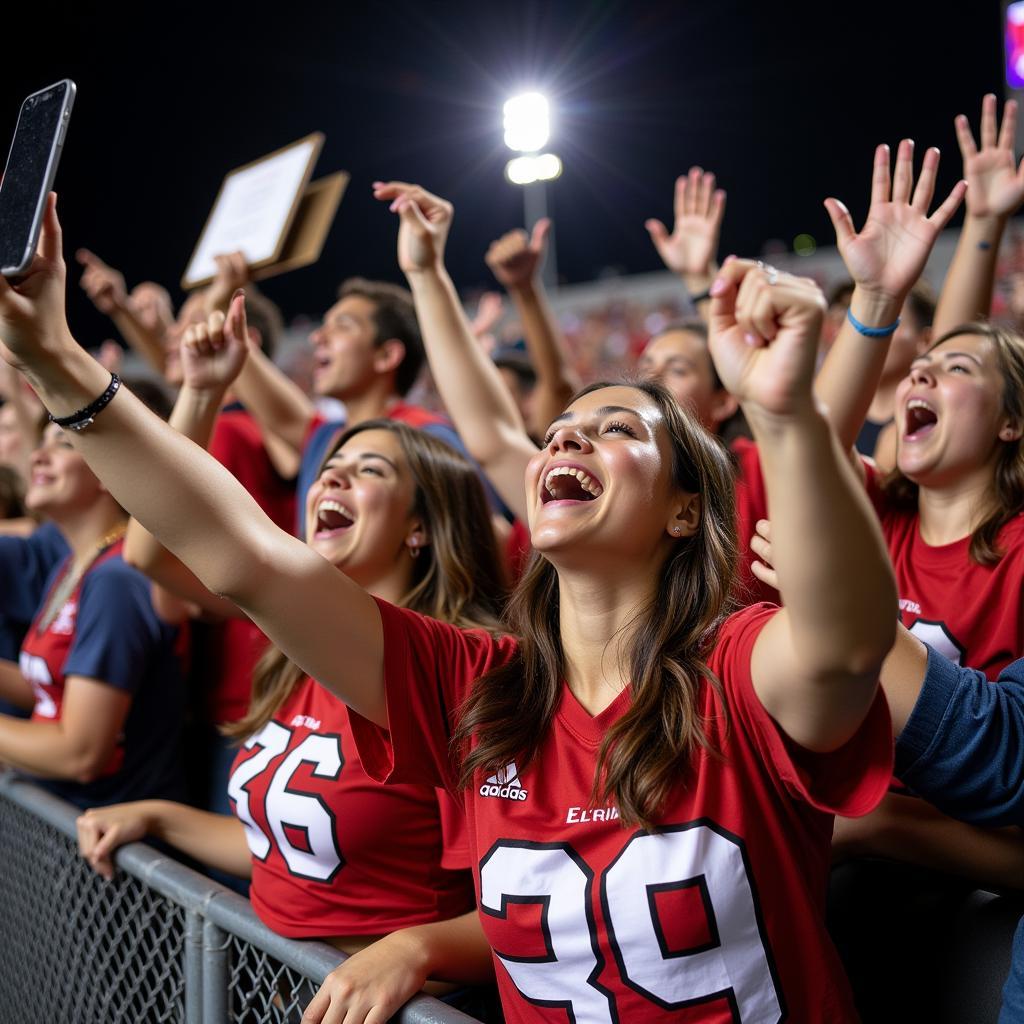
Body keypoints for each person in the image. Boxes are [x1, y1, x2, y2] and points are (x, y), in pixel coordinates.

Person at [0, 193, 897, 1023]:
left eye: (619, 428)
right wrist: (56, 359)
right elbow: (243, 554)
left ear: (686, 509)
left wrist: (785, 417)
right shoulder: (475, 684)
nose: (569, 436)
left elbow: (844, 647)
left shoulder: (734, 669)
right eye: (558, 433)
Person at [78, 381, 502, 955]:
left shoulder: (466, 675)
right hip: (275, 989)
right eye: (331, 466)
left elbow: (527, 901)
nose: (331, 477)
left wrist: (415, 952)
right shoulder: (295, 649)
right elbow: (288, 847)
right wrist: (161, 818)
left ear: (419, 527)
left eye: (370, 470)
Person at [0, 414, 184, 809]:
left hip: (105, 842)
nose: (38, 457)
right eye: (42, 442)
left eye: (63, 445)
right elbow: (48, 690)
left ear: (109, 471)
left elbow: (81, 754)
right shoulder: (73, 563)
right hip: (64, 820)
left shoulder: (116, 580)